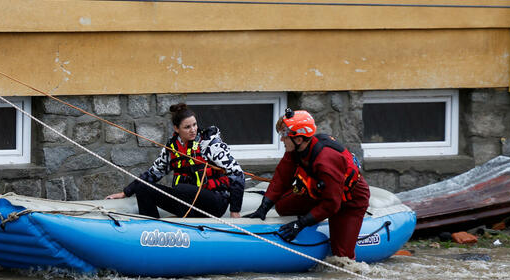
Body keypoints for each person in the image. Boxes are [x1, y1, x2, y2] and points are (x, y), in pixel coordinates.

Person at [246, 108, 371, 259]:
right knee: (282, 206)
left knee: (341, 256)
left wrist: (301, 224)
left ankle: (327, 228)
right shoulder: (296, 150)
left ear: (298, 139)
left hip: (349, 201)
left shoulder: (325, 162)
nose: (281, 140)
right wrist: (264, 207)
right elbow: (281, 177)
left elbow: (332, 204)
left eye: (284, 135)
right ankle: (315, 220)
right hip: (320, 192)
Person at [107, 102, 244, 218]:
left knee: (181, 188)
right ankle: (152, 232)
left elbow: (237, 173)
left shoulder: (209, 144)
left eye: (194, 125)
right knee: (143, 188)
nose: (193, 130)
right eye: (187, 127)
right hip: (186, 201)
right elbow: (154, 173)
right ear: (176, 129)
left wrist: (235, 210)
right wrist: (126, 192)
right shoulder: (172, 148)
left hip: (214, 202)